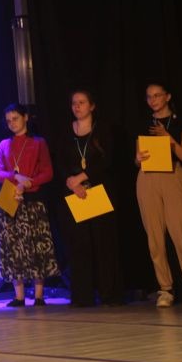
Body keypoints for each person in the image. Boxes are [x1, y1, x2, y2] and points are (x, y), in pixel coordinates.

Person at [135, 83, 182, 307]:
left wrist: (168, 138)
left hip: (172, 175)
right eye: (149, 97)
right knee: (155, 237)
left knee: (181, 232)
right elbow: (137, 157)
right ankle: (165, 289)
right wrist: (138, 159)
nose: (153, 100)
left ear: (167, 97)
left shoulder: (181, 122)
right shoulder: (144, 123)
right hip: (147, 177)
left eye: (157, 95)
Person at [57, 90, 122, 307]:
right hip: (75, 194)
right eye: (74, 103)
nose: (77, 106)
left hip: (98, 190)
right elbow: (60, 161)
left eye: (82, 102)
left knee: (103, 243)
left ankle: (109, 293)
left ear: (92, 106)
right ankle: (83, 295)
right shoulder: (66, 131)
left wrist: (82, 177)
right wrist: (71, 181)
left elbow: (107, 160)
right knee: (80, 244)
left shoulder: (102, 129)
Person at [0, 103, 59, 306]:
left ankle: (38, 294)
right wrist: (15, 177)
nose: (12, 123)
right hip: (10, 198)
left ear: (26, 117)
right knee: (13, 246)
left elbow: (48, 172)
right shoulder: (4, 144)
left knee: (37, 244)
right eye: (8, 121)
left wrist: (29, 182)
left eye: (15, 118)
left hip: (32, 199)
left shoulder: (38, 142)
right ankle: (19, 295)